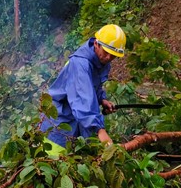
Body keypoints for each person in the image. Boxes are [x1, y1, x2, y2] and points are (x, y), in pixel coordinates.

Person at [39, 24, 126, 155]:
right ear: (96, 44)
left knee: (76, 162)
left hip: (76, 119)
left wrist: (102, 99)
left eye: (113, 56)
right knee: (54, 165)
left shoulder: (101, 61)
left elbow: (92, 86)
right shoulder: (80, 64)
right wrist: (99, 130)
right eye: (107, 53)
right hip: (59, 121)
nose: (109, 58)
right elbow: (81, 100)